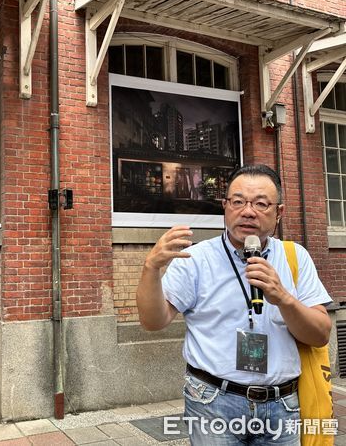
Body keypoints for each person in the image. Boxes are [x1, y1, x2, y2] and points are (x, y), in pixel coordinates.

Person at [136, 164, 332, 445]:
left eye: (261, 203)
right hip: (213, 402)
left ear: (279, 213)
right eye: (238, 201)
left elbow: (321, 334)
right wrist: (151, 268)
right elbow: (153, 321)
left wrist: (284, 299)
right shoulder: (196, 259)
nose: (248, 211)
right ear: (225, 207)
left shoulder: (295, 257)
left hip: (281, 405)